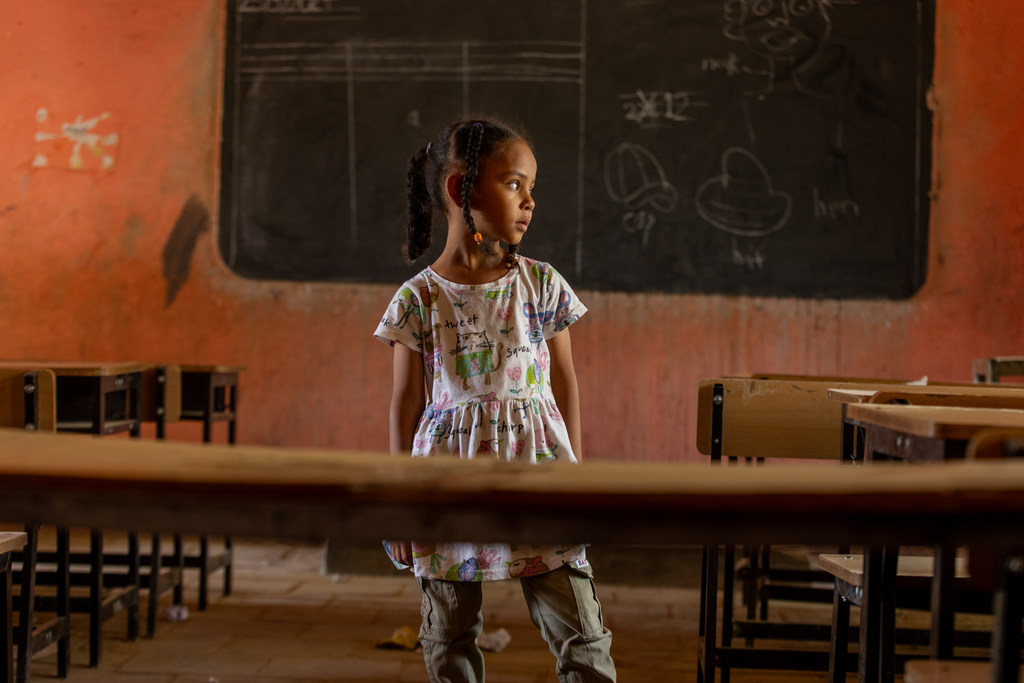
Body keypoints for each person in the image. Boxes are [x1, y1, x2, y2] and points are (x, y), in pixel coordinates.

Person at [373, 117, 616, 683]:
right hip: (447, 487)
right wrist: (400, 503)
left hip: (540, 477)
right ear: (461, 191)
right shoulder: (419, 299)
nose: (530, 201)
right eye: (514, 184)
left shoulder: (542, 285)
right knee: (449, 639)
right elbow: (404, 406)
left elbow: (565, 383)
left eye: (532, 188)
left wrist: (575, 478)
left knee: (583, 638)